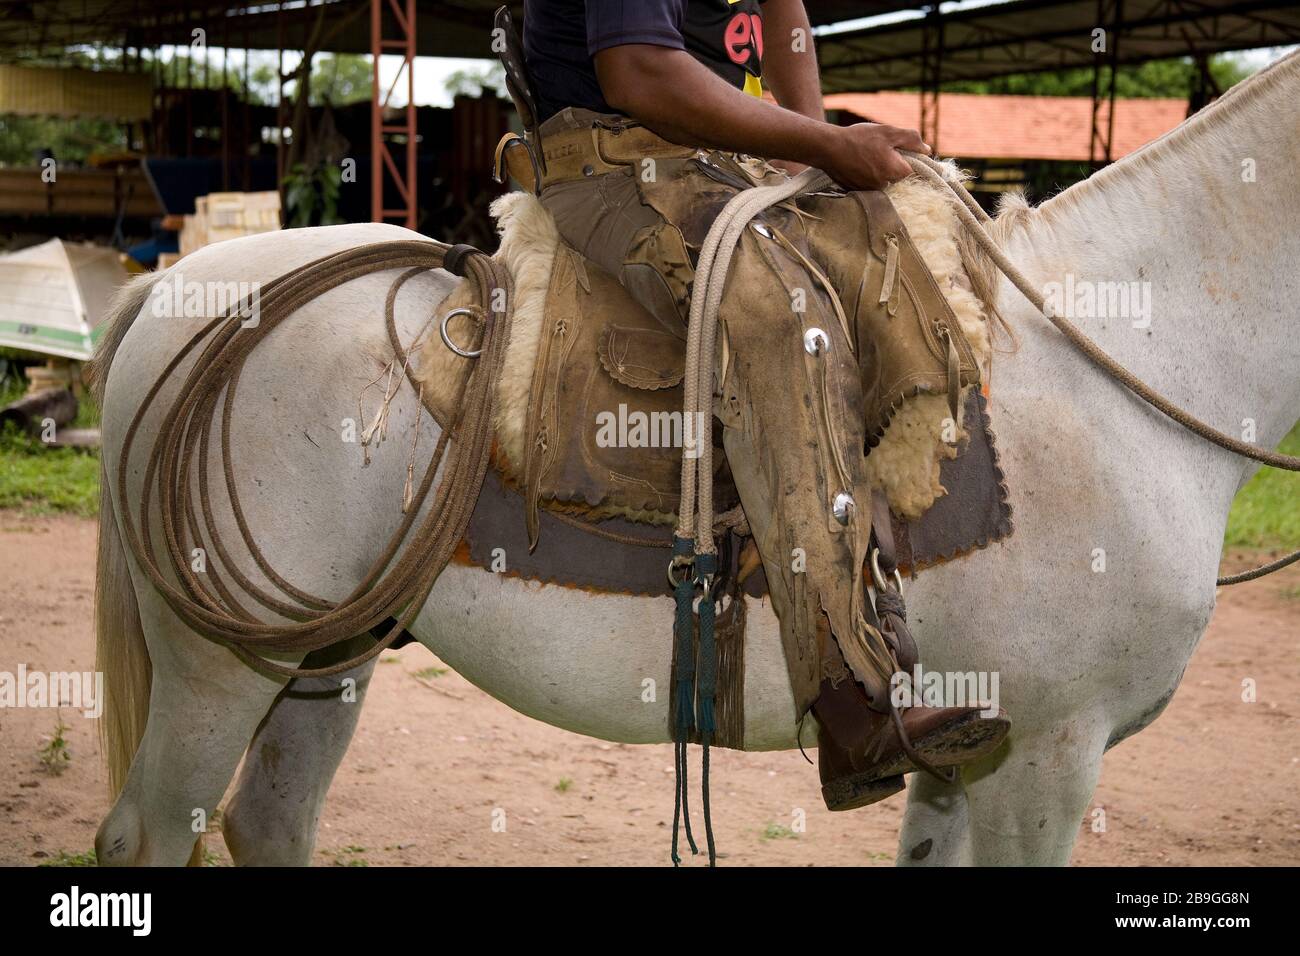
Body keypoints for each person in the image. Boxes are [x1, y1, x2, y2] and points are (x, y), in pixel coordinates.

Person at [513, 0, 1010, 810]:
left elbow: (783, 11)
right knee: (784, 317)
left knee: (892, 260)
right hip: (610, 167)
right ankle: (851, 699)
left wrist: (804, 145)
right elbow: (637, 70)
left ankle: (905, 576)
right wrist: (826, 142)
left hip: (713, 161)